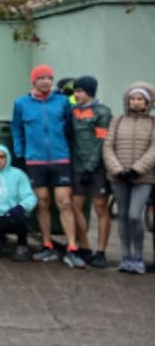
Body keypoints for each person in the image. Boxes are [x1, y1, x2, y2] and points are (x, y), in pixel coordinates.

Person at [11, 64, 75, 263]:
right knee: (43, 202)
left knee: (64, 202)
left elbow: (70, 128)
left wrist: (70, 150)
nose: (46, 81)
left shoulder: (62, 102)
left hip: (60, 158)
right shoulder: (21, 103)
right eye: (42, 78)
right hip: (35, 159)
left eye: (49, 78)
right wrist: (20, 153)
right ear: (34, 81)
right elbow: (16, 129)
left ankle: (72, 246)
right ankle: (47, 244)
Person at [103, 82, 155, 274]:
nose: (135, 102)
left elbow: (153, 150)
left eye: (140, 99)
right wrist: (117, 169)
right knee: (123, 216)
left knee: (135, 215)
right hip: (118, 177)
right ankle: (126, 257)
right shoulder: (117, 121)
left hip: (143, 177)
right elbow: (108, 147)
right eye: (132, 98)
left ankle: (139, 255)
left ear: (147, 102)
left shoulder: (152, 123)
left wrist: (136, 169)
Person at [69, 75, 113, 269]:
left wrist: (91, 166)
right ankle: (84, 246)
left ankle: (101, 251)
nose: (76, 95)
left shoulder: (103, 113)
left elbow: (101, 141)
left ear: (89, 92)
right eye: (75, 91)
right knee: (75, 207)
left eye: (80, 91)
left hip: (96, 170)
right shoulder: (72, 111)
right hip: (77, 167)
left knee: (100, 208)